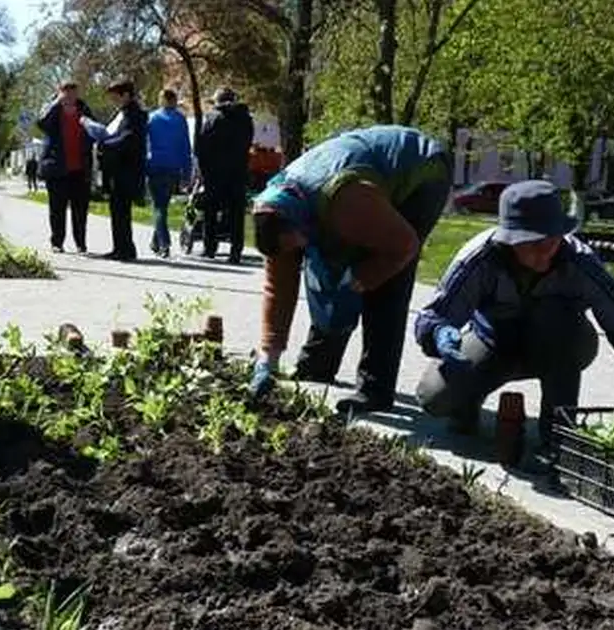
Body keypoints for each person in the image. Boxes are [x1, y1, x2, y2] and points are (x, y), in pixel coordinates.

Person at [414, 179, 614, 440]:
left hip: (561, 345)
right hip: (493, 342)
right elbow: (434, 316)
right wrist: (440, 334)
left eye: (552, 240)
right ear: (510, 239)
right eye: (533, 243)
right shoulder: (479, 260)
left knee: (555, 317)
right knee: (435, 396)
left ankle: (558, 430)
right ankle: (467, 403)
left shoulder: (579, 261)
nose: (545, 251)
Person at [247, 125, 453, 414]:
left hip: (421, 170)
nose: (296, 256)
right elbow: (278, 289)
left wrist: (366, 276)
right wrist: (268, 358)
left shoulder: (346, 203)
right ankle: (318, 363)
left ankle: (375, 388)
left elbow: (404, 246)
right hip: (355, 184)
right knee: (330, 267)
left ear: (301, 224)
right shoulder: (275, 214)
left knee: (385, 283)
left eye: (297, 249)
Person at [81, 79, 148, 261]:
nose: (113, 102)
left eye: (115, 97)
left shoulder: (135, 115)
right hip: (118, 168)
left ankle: (125, 249)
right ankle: (121, 246)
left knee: (121, 209)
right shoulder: (124, 113)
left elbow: (128, 139)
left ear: (125, 95)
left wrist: (103, 143)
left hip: (126, 169)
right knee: (117, 209)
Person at [195, 88, 255, 263]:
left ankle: (210, 247)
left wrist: (203, 170)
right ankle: (236, 251)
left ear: (218, 101)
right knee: (237, 213)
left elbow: (203, 145)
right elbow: (247, 143)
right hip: (238, 171)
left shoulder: (213, 118)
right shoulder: (246, 119)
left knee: (211, 211)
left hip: (215, 173)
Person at [36, 81, 95, 253]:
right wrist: (56, 103)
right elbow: (41, 123)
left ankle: (81, 243)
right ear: (59, 92)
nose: (69, 96)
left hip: (80, 168)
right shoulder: (51, 109)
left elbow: (94, 130)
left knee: (80, 209)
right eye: (65, 92)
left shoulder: (84, 109)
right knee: (57, 208)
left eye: (73, 92)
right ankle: (57, 242)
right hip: (57, 167)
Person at [145, 88, 192, 258]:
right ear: (174, 100)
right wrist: (187, 173)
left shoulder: (152, 118)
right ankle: (155, 242)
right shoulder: (181, 120)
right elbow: (186, 147)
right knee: (162, 206)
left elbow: (145, 143)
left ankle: (164, 244)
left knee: (159, 207)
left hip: (155, 166)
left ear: (162, 99)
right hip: (174, 168)